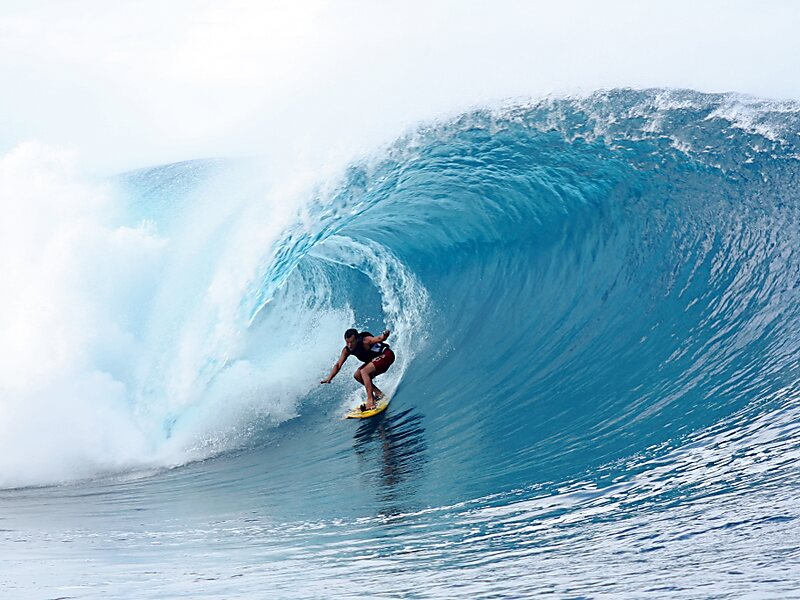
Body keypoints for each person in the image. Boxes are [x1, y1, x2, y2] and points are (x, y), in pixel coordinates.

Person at [320, 328, 395, 411]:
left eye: (351, 342)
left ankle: (371, 401)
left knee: (364, 371)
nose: (349, 345)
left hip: (387, 355)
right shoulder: (347, 350)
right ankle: (380, 395)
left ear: (357, 339)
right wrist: (329, 378)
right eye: (347, 342)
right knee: (357, 375)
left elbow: (379, 339)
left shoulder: (365, 341)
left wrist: (384, 336)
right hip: (376, 361)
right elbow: (338, 365)